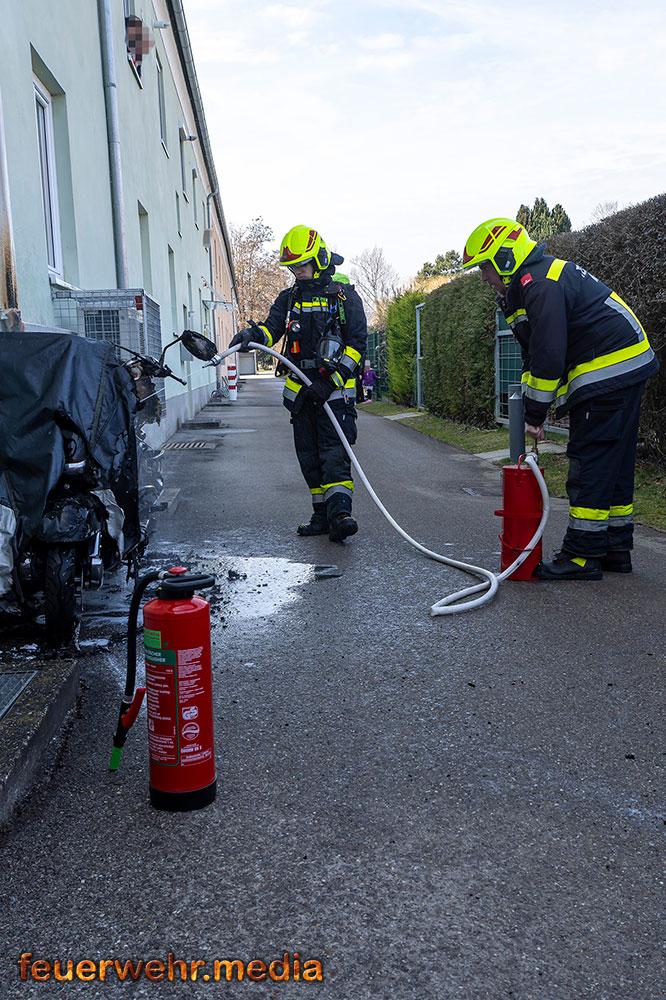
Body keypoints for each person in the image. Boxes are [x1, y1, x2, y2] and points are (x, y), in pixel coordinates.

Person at [462, 218, 659, 580]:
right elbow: (534, 353)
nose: (483, 277)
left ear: (505, 259)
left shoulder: (538, 285)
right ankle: (615, 549)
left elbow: (550, 355)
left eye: (485, 267)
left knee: (590, 460)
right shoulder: (533, 282)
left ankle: (583, 556)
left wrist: (535, 414)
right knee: (613, 463)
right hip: (627, 366)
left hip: (607, 370)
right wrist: (532, 404)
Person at [230, 225, 368, 542]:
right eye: (292, 267)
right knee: (309, 457)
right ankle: (321, 516)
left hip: (334, 393)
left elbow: (357, 346)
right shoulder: (289, 298)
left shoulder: (344, 297)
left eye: (302, 265)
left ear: (319, 259)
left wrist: (330, 382)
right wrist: (252, 336)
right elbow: (271, 330)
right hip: (302, 394)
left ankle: (340, 515)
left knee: (333, 454)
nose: (297, 272)